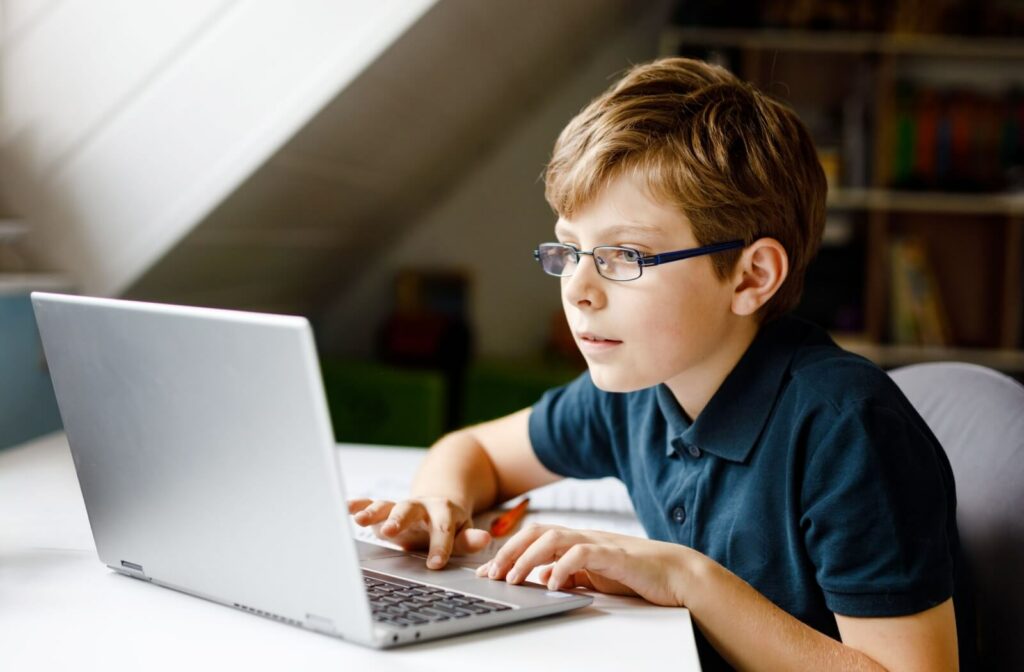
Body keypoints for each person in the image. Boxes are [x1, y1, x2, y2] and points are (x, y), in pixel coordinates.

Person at [348, 58, 969, 670]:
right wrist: (437, 505)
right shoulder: (639, 387)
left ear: (752, 277)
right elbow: (475, 452)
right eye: (569, 249)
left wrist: (687, 578)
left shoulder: (846, 429)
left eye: (626, 255)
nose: (579, 289)